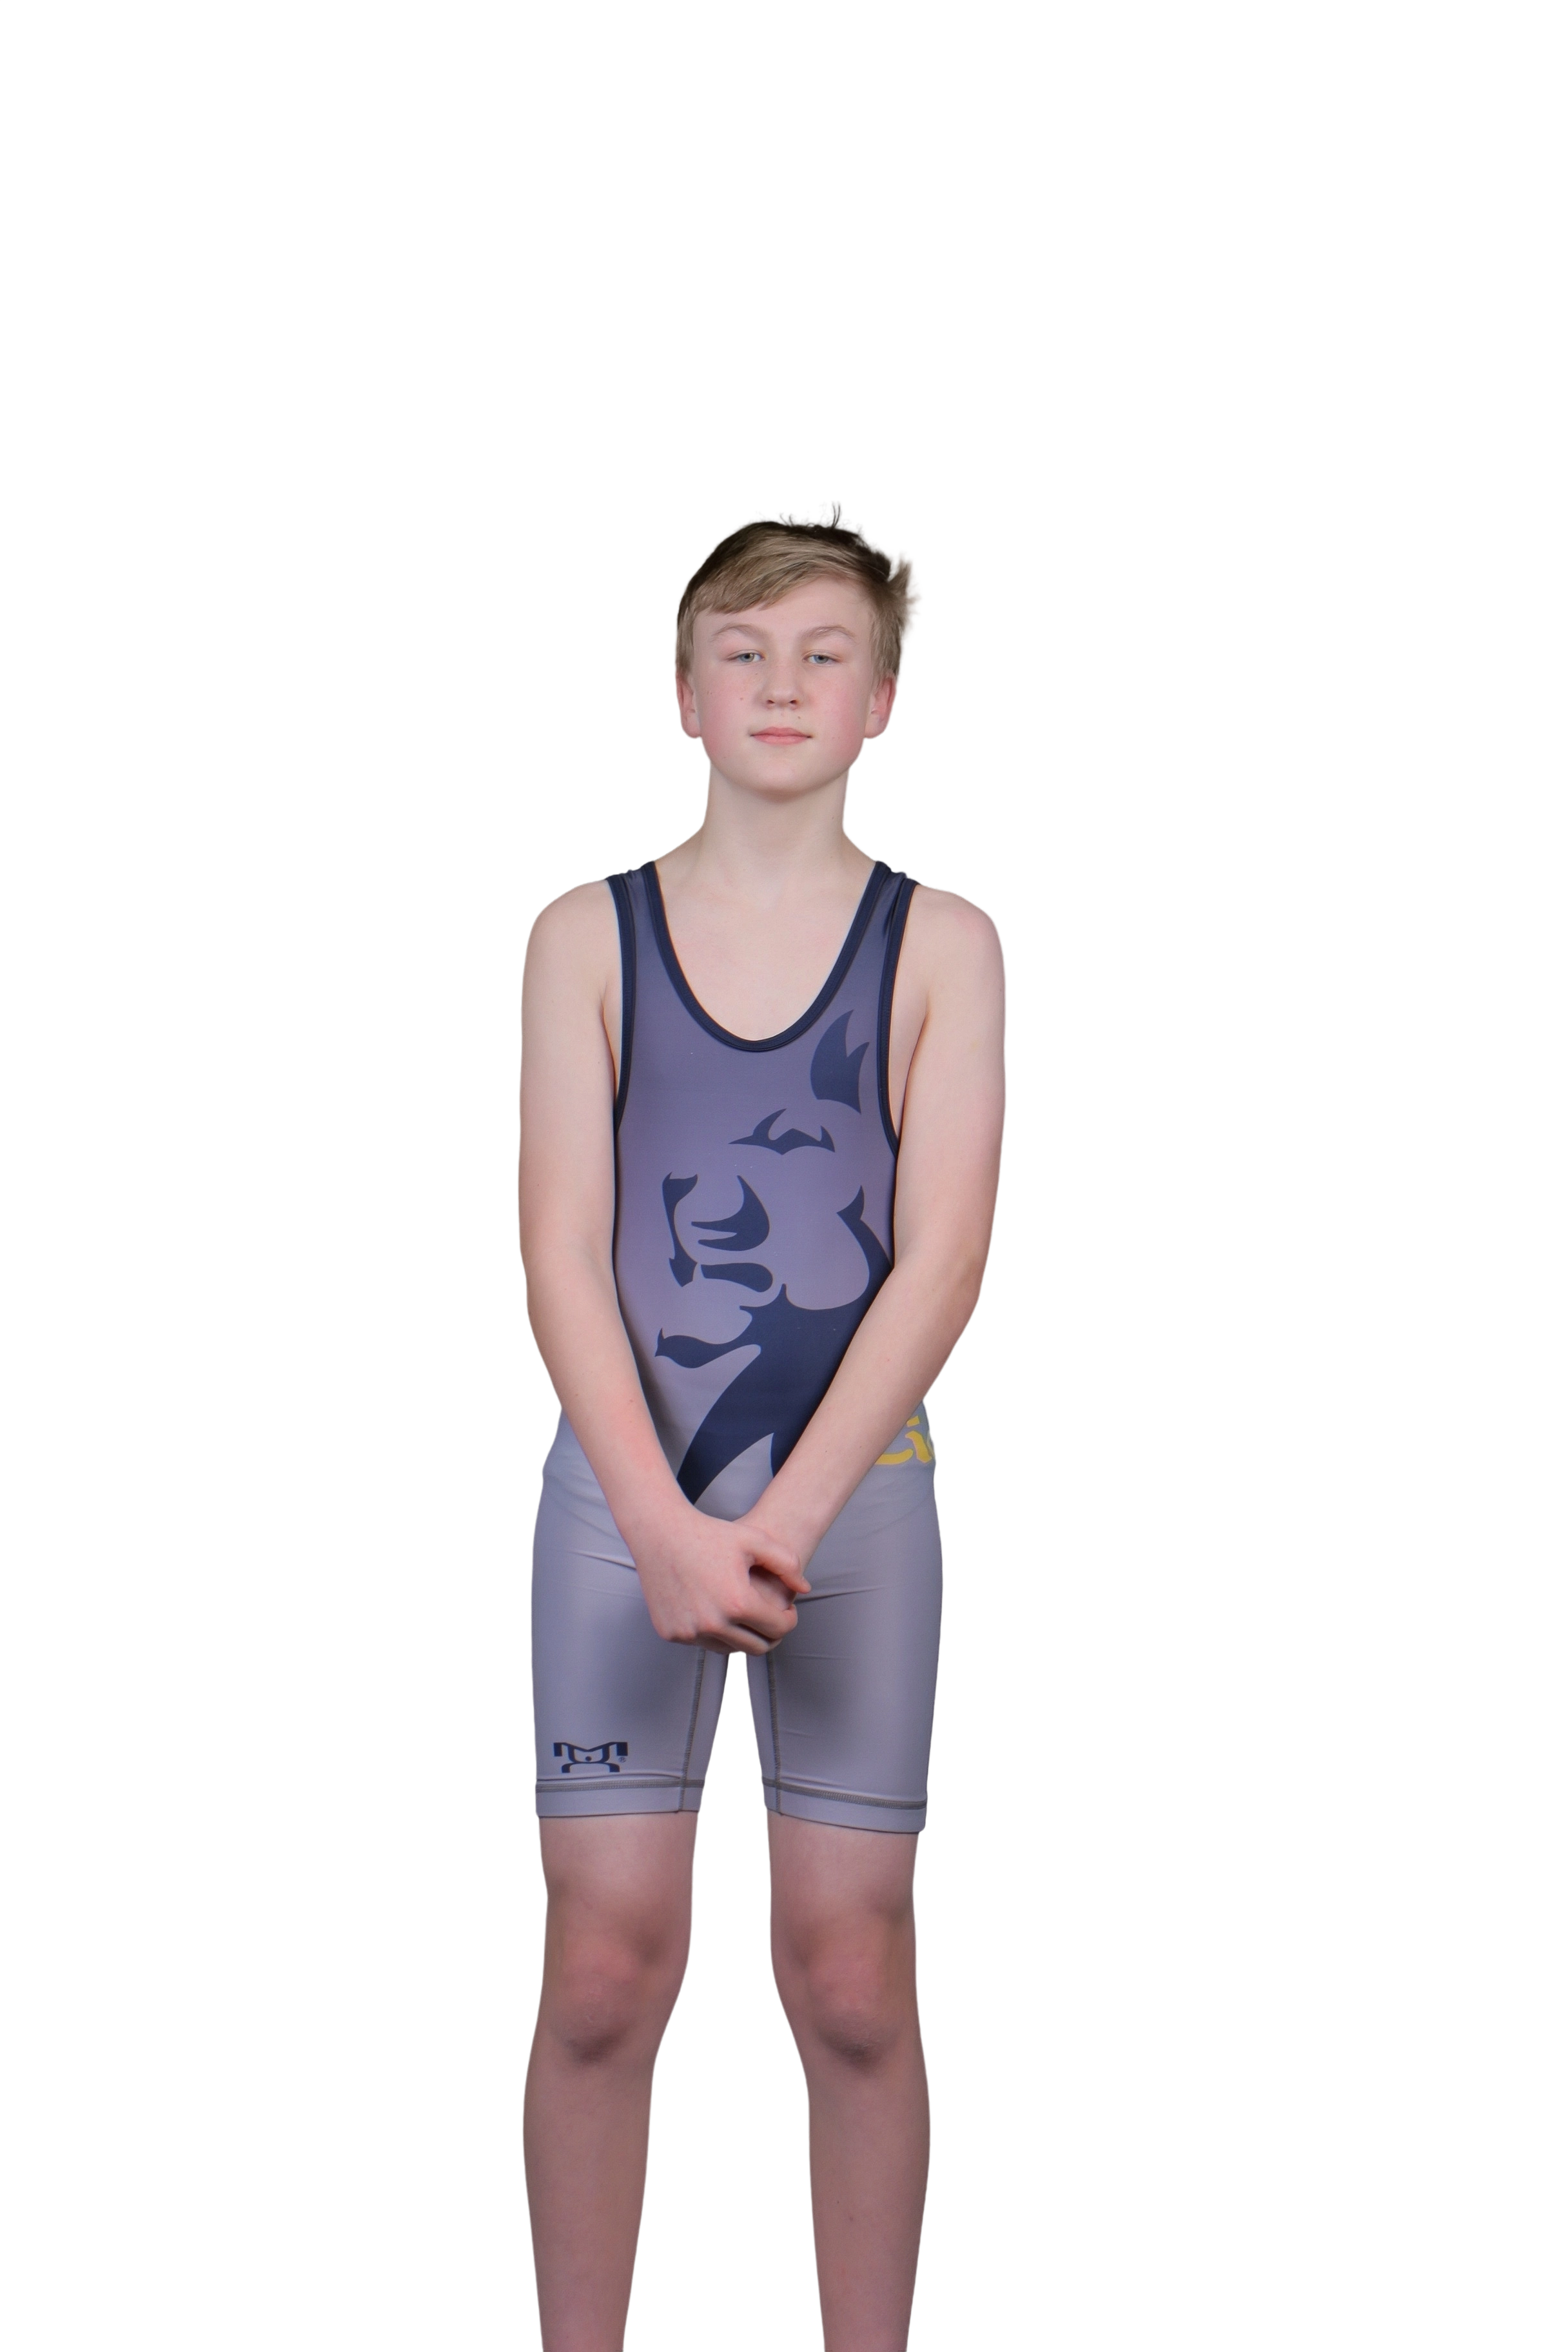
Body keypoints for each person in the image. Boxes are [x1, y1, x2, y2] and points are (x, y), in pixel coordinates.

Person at [515, 497, 1010, 2351]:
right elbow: (559, 1251)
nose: (780, 683)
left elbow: (943, 1263)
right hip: (619, 1506)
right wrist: (660, 1524)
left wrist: (783, 1521)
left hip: (853, 1509)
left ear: (884, 700)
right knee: (601, 1971)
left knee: (855, 1975)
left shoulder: (946, 945)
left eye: (822, 653)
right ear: (682, 691)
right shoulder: (586, 934)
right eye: (742, 650)